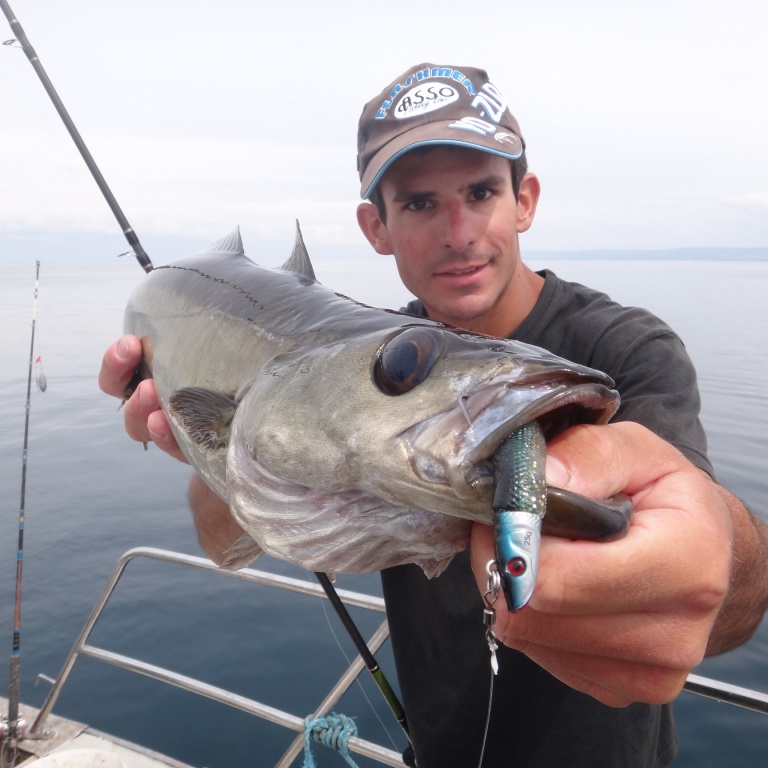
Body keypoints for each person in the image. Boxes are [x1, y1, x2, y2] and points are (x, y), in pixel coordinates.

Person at [99, 63, 768, 767]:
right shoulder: (356, 350)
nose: (457, 231)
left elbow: (734, 598)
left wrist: (718, 560)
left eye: (481, 191)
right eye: (419, 203)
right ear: (375, 227)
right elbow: (227, 546)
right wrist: (207, 452)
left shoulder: (627, 349)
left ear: (525, 200)